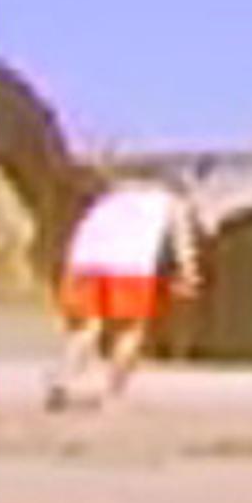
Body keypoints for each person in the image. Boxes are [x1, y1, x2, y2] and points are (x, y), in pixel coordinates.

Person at [46, 171, 205, 410]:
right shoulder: (170, 201)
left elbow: (85, 228)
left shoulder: (111, 198)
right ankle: (112, 395)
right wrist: (188, 273)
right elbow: (182, 241)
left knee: (86, 328)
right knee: (130, 330)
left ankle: (61, 381)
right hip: (132, 264)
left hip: (86, 261)